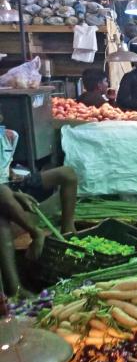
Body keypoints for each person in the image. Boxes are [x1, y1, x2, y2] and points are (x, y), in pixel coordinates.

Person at [0, 122, 77, 295]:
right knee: (2, 206)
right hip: (3, 193)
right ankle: (36, 233)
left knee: (68, 174)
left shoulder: (8, 136)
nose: (2, 116)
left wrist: (15, 184)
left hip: (10, 186)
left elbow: (6, 168)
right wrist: (11, 194)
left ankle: (67, 234)